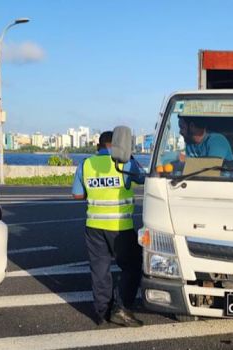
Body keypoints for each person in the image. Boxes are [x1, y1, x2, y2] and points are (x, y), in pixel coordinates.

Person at [72, 131, 145, 327]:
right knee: (133, 266)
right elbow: (144, 178)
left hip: (94, 226)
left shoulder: (86, 164)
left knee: (99, 270)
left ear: (99, 145)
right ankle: (121, 308)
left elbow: (77, 195)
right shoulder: (125, 163)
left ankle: (102, 312)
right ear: (117, 145)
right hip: (120, 227)